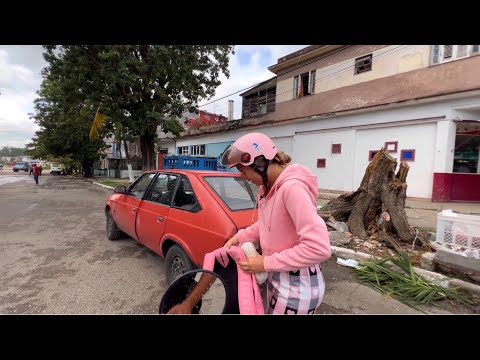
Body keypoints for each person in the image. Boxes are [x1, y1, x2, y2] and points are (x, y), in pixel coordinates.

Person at [168, 132, 331, 314]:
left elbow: (319, 248)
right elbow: (265, 225)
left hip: (298, 289)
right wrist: (238, 238)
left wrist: (266, 263)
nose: (243, 177)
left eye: (242, 170)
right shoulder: (267, 190)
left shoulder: (292, 189)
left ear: (260, 163)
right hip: (280, 281)